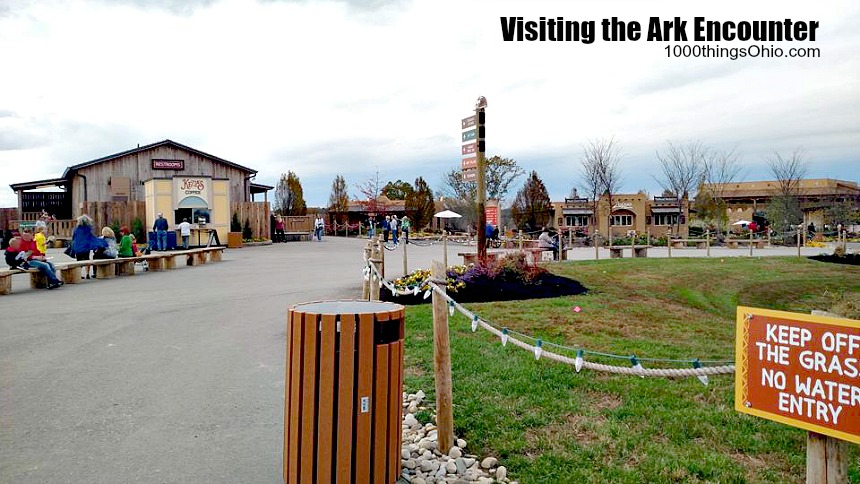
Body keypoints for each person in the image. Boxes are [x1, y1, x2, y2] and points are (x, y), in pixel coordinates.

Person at [71, 214, 107, 279]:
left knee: (79, 261)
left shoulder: (76, 230)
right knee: (87, 259)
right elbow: (91, 237)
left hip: (78, 247)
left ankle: (79, 274)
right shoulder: (88, 229)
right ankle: (87, 274)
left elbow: (73, 238)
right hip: (86, 247)